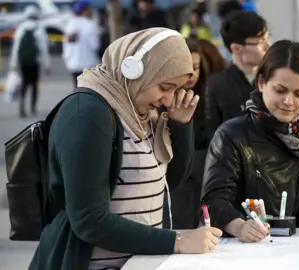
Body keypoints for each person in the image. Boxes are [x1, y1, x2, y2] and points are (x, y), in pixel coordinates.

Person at [29, 28, 222, 270]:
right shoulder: (88, 113)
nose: (168, 99)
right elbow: (89, 219)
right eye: (164, 87)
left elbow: (169, 183)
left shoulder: (142, 112)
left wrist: (180, 125)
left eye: (175, 89)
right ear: (134, 69)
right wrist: (178, 241)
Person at [201, 40, 299, 242]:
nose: (289, 102)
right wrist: (239, 226)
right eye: (280, 90)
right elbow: (213, 201)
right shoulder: (232, 134)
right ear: (261, 83)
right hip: (236, 251)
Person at [166, 38, 226, 229]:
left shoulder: (208, 96)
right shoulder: (163, 100)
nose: (191, 74)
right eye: (186, 67)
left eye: (196, 67)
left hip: (204, 171)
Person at [205, 10, 270, 141]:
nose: (268, 45)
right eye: (260, 41)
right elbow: (212, 138)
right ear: (236, 48)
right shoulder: (217, 86)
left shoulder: (273, 79)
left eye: (268, 38)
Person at [10, 5, 50, 117]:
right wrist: (47, 64)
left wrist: (13, 63)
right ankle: (33, 108)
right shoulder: (39, 28)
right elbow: (43, 48)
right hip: (35, 62)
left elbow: (16, 47)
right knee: (34, 85)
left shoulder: (21, 28)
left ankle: (22, 107)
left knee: (24, 83)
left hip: (24, 62)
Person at [63, 0, 100, 88]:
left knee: (76, 89)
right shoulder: (90, 25)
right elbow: (95, 45)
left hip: (73, 64)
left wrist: (67, 60)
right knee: (88, 89)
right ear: (85, 10)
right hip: (88, 64)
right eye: (90, 9)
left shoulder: (70, 25)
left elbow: (67, 46)